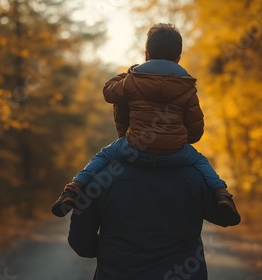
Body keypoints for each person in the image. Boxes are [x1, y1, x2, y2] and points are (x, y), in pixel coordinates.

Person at [52, 23, 240, 227]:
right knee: (201, 161)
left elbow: (108, 92)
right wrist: (178, 139)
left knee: (104, 155)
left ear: (146, 54)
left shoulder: (132, 81)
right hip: (174, 153)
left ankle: (72, 190)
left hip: (135, 148)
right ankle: (222, 195)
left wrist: (130, 73)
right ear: (178, 58)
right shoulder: (187, 87)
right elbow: (196, 132)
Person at [68, 163, 226, 279]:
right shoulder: (195, 176)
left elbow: (80, 241)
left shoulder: (102, 177)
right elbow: (224, 217)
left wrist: (111, 251)